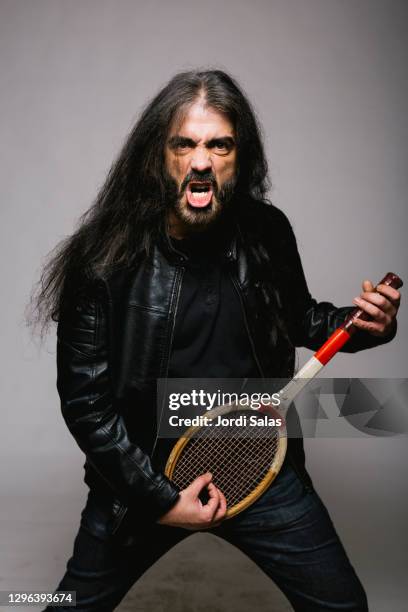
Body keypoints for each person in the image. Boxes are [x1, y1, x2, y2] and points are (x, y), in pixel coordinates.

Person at [33, 70, 400, 611]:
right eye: (184, 144)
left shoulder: (268, 231)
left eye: (218, 144)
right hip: (144, 479)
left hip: (257, 464)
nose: (200, 161)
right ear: (158, 155)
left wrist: (367, 324)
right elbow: (86, 404)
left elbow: (301, 320)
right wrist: (160, 499)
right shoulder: (102, 257)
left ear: (239, 156)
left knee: (343, 606)